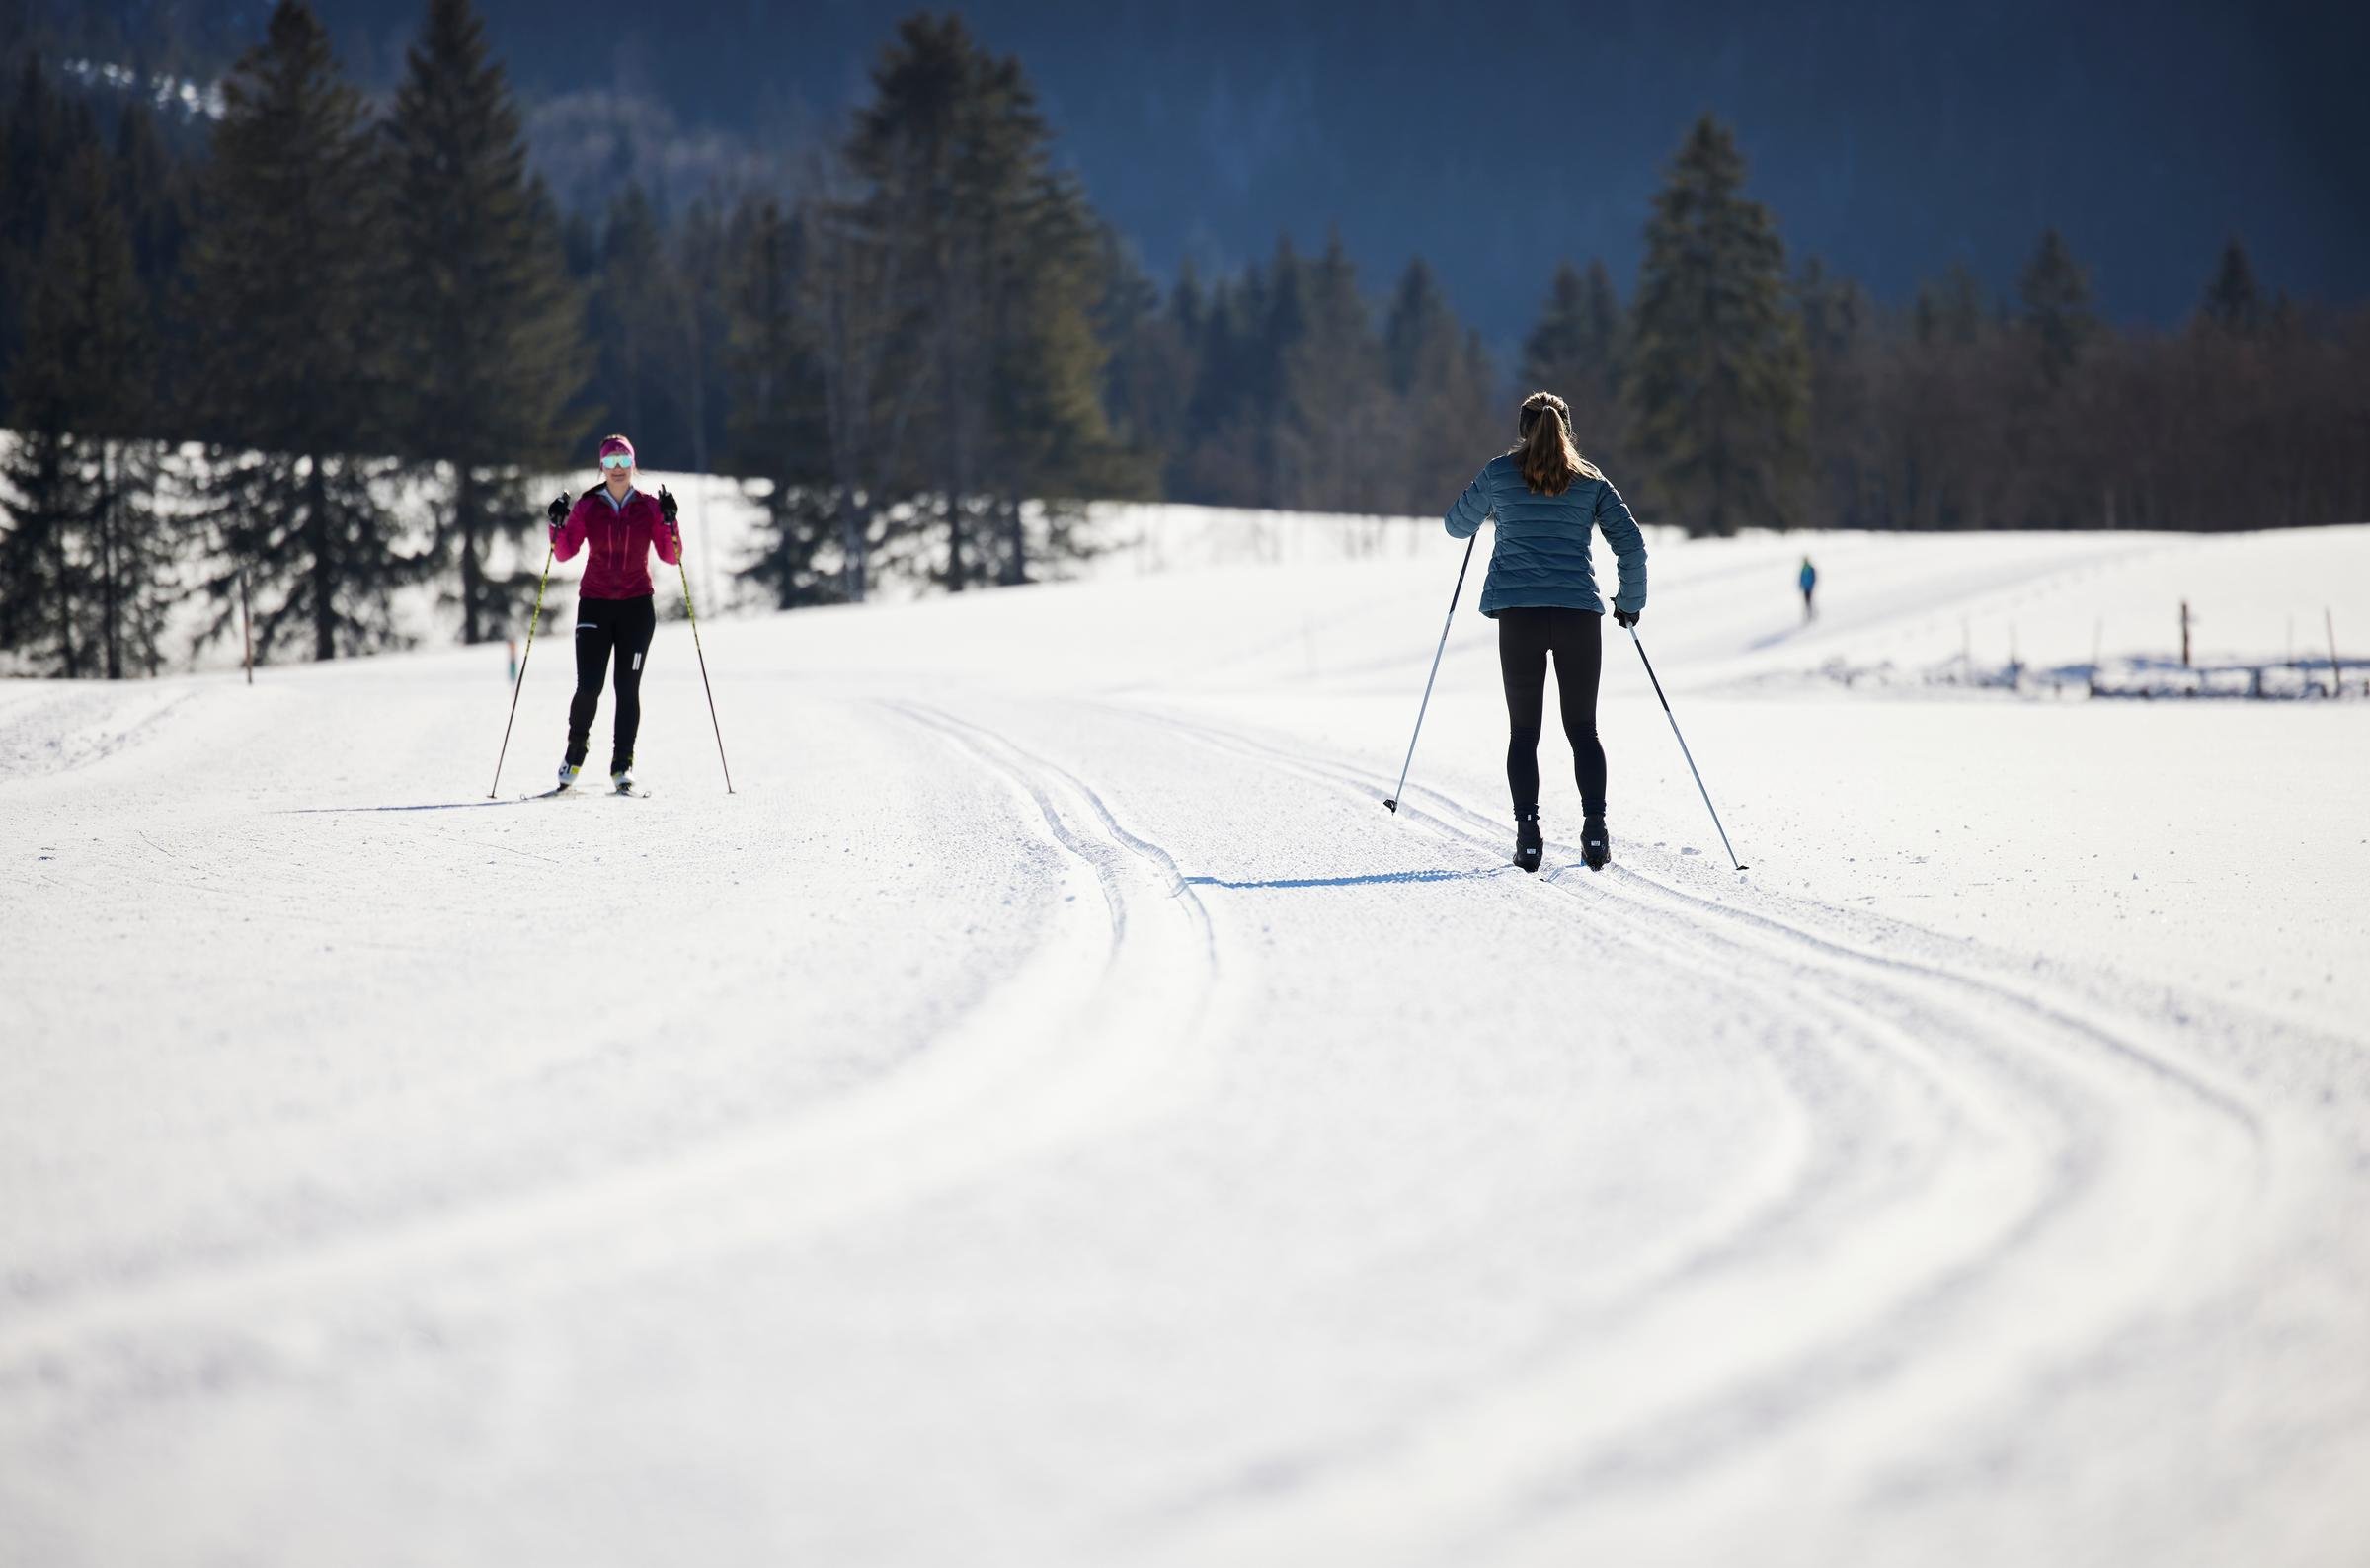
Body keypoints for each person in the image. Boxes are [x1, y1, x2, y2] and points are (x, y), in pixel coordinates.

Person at [1446, 391, 1647, 873]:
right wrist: (1629, 604)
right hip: (1578, 614)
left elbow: (1456, 526)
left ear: (1522, 428)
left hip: (1521, 617)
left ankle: (1529, 836)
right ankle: (1595, 832)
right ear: (1566, 428)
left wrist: (1491, 509)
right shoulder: (1590, 481)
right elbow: (1633, 546)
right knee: (1583, 730)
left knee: (1524, 732)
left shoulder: (1498, 474)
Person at [544, 433, 680, 793]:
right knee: (589, 686)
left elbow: (671, 556)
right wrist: (556, 523)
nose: (617, 469)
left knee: (627, 688)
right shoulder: (589, 506)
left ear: (633, 466)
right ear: (601, 467)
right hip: (595, 603)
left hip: (637, 606)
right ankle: (575, 751)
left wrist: (670, 521)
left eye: (624, 462)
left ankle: (623, 764)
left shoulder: (649, 506)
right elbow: (563, 552)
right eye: (610, 462)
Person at [1799, 555, 1817, 621]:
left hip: (1809, 587)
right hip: (1805, 587)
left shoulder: (1810, 568)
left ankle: (1812, 613)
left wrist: (1812, 584)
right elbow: (1801, 578)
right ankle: (1808, 613)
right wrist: (1801, 584)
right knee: (1806, 601)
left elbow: (1814, 577)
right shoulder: (1803, 569)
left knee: (1809, 600)